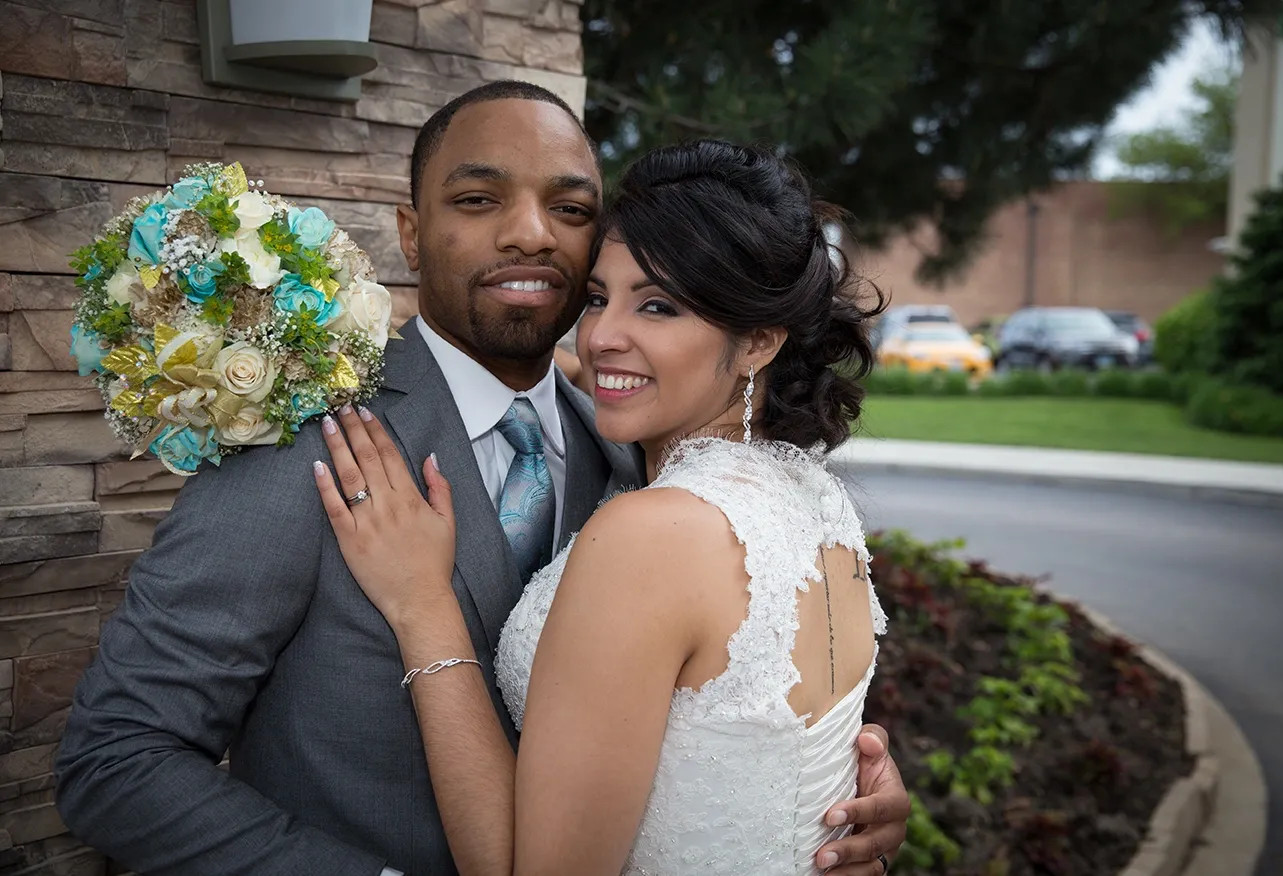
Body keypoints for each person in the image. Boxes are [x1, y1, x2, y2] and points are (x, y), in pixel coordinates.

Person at [55, 83, 906, 875]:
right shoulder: (304, 444)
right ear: (412, 231)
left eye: (570, 209)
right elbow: (116, 759)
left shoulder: (633, 453)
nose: (531, 233)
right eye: (477, 199)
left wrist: (817, 788)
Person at [313, 136, 901, 875]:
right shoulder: (811, 495)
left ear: (757, 340)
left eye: (656, 305)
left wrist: (422, 605)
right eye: (596, 298)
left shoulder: (651, 534)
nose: (600, 338)